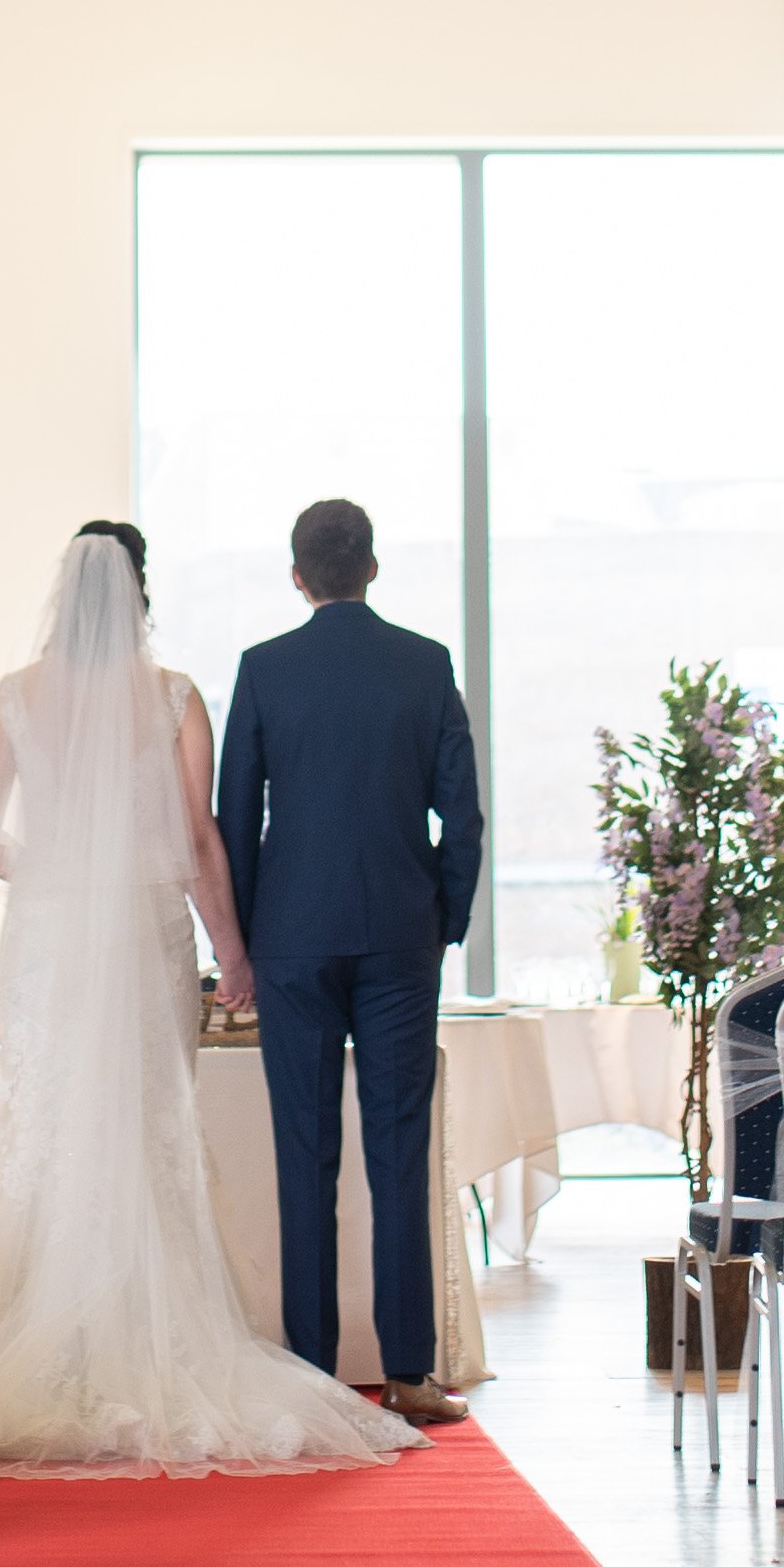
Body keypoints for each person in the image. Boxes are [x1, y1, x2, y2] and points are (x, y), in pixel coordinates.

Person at [0, 525, 421, 1477]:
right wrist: (233, 951)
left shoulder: (14, 696)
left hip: (46, 939)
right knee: (148, 1123)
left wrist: (55, 881)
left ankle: (54, 1345)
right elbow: (201, 841)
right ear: (140, 595)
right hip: (148, 929)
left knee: (52, 1126)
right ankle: (149, 1341)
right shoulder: (172, 697)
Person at [214, 498, 484, 1426]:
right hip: (400, 937)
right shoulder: (424, 663)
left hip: (291, 938)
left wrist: (241, 944)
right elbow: (464, 813)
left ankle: (314, 1376)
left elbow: (233, 822)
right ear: (373, 567)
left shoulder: (262, 669)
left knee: (305, 1152)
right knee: (399, 1148)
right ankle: (408, 1374)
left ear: (299, 576)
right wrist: (442, 919)